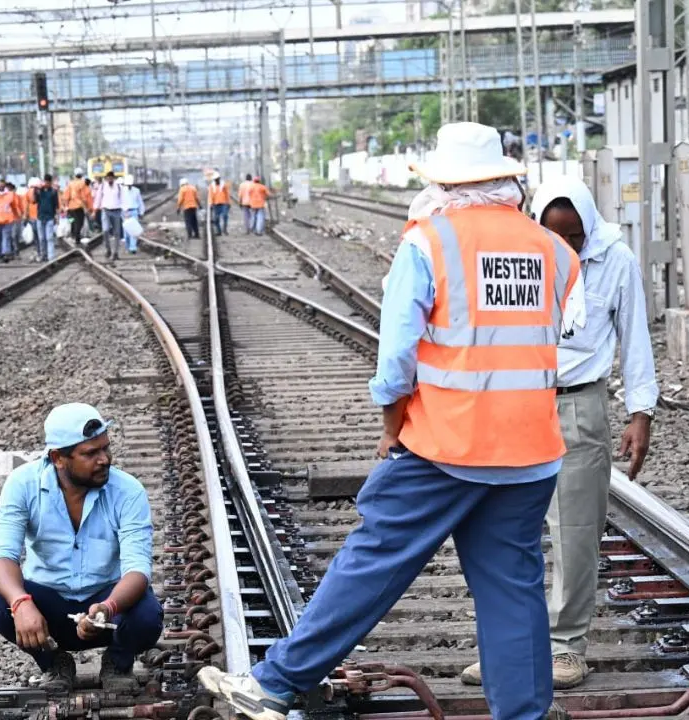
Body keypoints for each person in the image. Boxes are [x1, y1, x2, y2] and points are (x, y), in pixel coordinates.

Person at [198, 122, 585, 720]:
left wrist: (391, 425)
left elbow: (396, 359)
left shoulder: (429, 243)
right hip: (531, 450)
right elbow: (558, 337)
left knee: (372, 560)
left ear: (444, 185)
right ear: (505, 182)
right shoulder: (554, 250)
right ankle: (522, 715)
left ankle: (274, 683)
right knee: (513, 590)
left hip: (445, 446)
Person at [459, 176, 658, 690]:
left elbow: (635, 339)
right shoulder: (519, 256)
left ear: (589, 227)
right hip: (515, 401)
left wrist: (641, 413)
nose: (565, 245)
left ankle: (566, 646)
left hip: (577, 405)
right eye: (555, 234)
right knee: (503, 530)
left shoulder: (616, 261)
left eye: (575, 236)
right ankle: (508, 650)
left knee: (574, 532)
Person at [0, 403, 163, 692]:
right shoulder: (23, 484)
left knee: (147, 612)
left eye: (105, 448)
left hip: (106, 610)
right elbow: (2, 555)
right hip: (49, 608)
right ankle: (54, 662)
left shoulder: (128, 491)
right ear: (58, 458)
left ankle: (118, 661)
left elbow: (137, 569)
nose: (104, 459)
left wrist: (107, 608)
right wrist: (20, 602)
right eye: (90, 453)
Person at [95, 171, 125, 261]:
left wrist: (125, 211)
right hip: (105, 211)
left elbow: (123, 199)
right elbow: (98, 198)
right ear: (106, 179)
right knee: (105, 230)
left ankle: (115, 252)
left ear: (114, 178)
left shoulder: (119, 187)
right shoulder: (102, 186)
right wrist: (95, 210)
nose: (110, 180)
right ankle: (108, 249)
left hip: (117, 211)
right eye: (108, 178)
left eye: (111, 178)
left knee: (117, 233)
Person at [0, 179, 19, 262]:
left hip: (7, 220)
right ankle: (0, 254)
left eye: (2, 185)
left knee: (6, 237)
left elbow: (14, 206)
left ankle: (5, 254)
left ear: (4, 186)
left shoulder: (10, 195)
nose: (1, 187)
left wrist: (16, 216)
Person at [35, 174, 60, 261]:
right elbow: (34, 200)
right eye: (45, 182)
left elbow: (56, 205)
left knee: (49, 238)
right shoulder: (39, 191)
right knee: (42, 238)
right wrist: (37, 190)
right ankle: (43, 255)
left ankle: (51, 257)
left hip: (50, 217)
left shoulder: (53, 192)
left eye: (48, 182)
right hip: (40, 217)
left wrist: (57, 217)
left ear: (50, 182)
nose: (46, 184)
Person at [62, 171, 90, 243]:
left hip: (70, 208)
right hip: (79, 207)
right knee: (79, 223)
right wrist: (86, 208)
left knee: (72, 222)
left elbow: (65, 196)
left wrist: (66, 207)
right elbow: (84, 197)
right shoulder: (82, 183)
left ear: (75, 175)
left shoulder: (70, 183)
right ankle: (77, 238)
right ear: (81, 175)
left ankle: (73, 236)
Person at [120, 174, 146, 254]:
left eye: (130, 184)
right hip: (124, 212)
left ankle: (133, 248)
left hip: (134, 211)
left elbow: (140, 202)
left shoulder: (136, 191)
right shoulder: (121, 190)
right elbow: (119, 202)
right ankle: (128, 246)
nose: (129, 186)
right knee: (126, 232)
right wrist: (123, 211)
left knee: (133, 230)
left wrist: (141, 212)